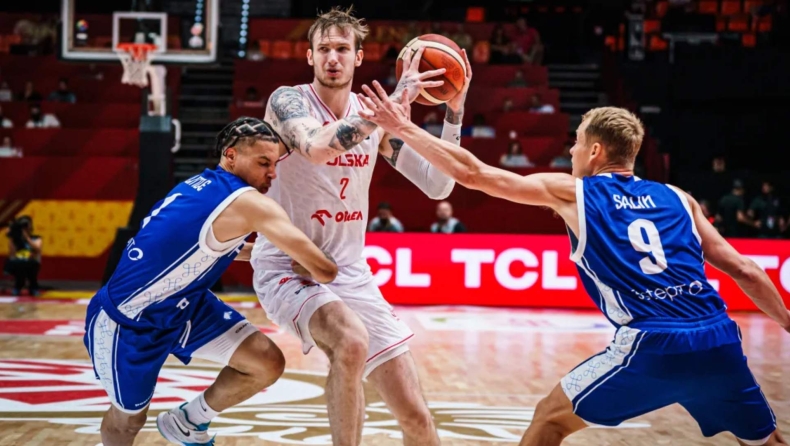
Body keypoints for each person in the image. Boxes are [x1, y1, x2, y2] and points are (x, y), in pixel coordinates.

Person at [357, 87, 790, 446]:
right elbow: (745, 270)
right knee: (765, 440)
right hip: (718, 339)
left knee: (550, 419)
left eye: (578, 141)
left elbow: (474, 174)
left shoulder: (575, 192)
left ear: (596, 151)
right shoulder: (680, 197)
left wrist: (403, 127)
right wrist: (787, 321)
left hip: (652, 344)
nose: (571, 149)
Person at [255, 6, 470, 445]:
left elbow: (438, 185)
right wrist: (389, 108)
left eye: (342, 49)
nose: (332, 57)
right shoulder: (287, 101)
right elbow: (317, 147)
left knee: (416, 417)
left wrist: (454, 111)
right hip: (288, 267)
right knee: (351, 342)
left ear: (358, 57)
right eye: (323, 49)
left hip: (351, 272)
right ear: (310, 57)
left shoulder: (375, 116)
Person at [83, 117, 338, 446]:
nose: (272, 173)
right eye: (263, 163)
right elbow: (325, 270)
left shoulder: (200, 184)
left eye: (275, 164)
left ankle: (188, 421)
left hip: (185, 304)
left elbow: (215, 246)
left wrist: (271, 257)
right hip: (131, 320)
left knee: (266, 362)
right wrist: (328, 254)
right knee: (128, 420)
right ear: (231, 155)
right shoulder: (250, 203)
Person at [4, 216, 42, 296]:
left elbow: (37, 249)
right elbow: (12, 254)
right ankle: (18, 287)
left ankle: (33, 287)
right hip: (19, 262)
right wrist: (12, 237)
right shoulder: (16, 240)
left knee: (30, 265)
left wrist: (27, 238)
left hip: (32, 262)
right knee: (19, 264)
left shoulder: (36, 238)